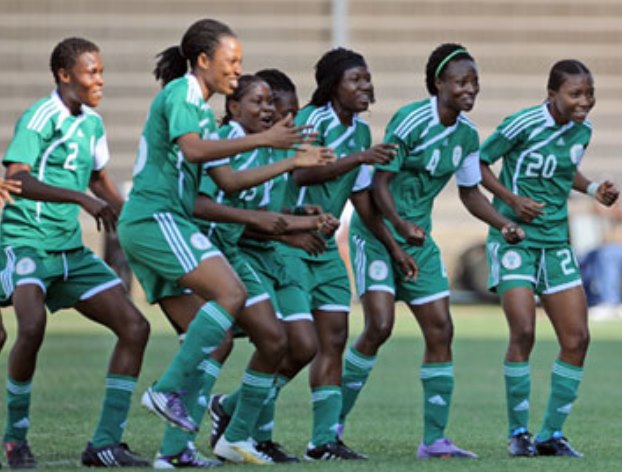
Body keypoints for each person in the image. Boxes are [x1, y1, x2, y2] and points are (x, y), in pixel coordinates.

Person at [116, 19, 329, 468]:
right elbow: (193, 152)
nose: (238, 69)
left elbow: (228, 180)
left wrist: (285, 159)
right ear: (203, 60)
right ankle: (165, 390)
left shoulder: (198, 108)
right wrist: (266, 140)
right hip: (157, 217)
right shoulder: (182, 94)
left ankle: (174, 452)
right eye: (232, 62)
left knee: (215, 342)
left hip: (163, 222)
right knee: (231, 294)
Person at [347, 43, 525, 460]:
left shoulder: (466, 135)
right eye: (461, 81)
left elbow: (469, 193)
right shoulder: (410, 120)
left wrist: (504, 223)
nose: (470, 89)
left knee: (442, 330)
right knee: (379, 327)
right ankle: (328, 431)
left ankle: (434, 440)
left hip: (419, 242)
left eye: (475, 83)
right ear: (438, 83)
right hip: (376, 234)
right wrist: (400, 226)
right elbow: (379, 184)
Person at [0, 37, 151, 468]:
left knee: (135, 326)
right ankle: (15, 437)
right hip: (26, 239)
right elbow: (18, 180)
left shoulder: (93, 124)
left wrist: (128, 215)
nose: (99, 79)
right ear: (65, 76)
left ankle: (105, 443)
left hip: (69, 250)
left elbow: (100, 181)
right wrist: (80, 199)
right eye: (91, 72)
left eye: (101, 71)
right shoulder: (39, 117)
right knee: (31, 326)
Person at [275, 47, 417, 461]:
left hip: (324, 250)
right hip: (291, 243)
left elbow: (361, 197)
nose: (366, 86)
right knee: (295, 345)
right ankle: (239, 415)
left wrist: (394, 246)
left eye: (368, 78)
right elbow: (300, 171)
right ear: (332, 84)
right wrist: (359, 158)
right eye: (356, 79)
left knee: (333, 339)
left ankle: (322, 441)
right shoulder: (311, 120)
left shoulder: (358, 133)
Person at [480, 59, 618, 458]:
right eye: (575, 93)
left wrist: (593, 188)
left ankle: (551, 436)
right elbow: (479, 163)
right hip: (514, 239)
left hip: (556, 242)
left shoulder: (583, 130)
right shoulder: (521, 124)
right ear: (551, 94)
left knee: (577, 338)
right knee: (523, 331)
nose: (584, 101)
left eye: (589, 93)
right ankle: (518, 433)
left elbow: (564, 169)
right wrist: (511, 201)